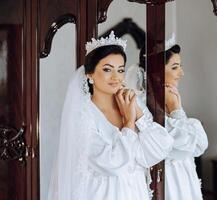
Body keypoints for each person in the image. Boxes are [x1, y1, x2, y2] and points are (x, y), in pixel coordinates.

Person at [47, 31, 173, 200]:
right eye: (107, 69)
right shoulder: (82, 115)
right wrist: (129, 122)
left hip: (135, 192)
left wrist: (138, 113)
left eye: (120, 70)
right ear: (90, 74)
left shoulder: (131, 105)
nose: (115, 77)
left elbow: (161, 147)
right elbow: (111, 163)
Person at [164, 44, 208, 200]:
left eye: (180, 67)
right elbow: (192, 144)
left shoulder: (171, 99)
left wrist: (177, 108)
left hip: (185, 178)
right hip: (168, 182)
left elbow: (199, 146)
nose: (181, 73)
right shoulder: (145, 108)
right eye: (175, 67)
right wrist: (176, 109)